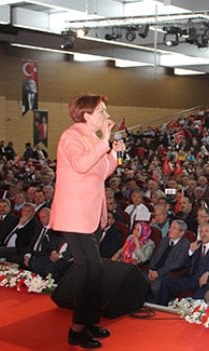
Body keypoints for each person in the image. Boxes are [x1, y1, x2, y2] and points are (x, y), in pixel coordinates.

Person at [49, 94, 124, 349]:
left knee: (95, 270)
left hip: (88, 214)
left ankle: (88, 322)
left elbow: (101, 172)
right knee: (89, 269)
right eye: (102, 111)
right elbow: (81, 165)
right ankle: (77, 330)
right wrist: (105, 142)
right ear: (86, 115)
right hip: (75, 214)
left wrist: (115, 154)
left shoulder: (92, 139)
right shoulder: (71, 137)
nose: (106, 115)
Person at [157, 222, 209, 304]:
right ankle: (163, 309)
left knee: (197, 298)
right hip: (191, 279)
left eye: (206, 231)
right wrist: (190, 252)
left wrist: (208, 273)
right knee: (166, 282)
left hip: (206, 281)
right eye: (201, 232)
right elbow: (185, 264)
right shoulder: (196, 245)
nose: (203, 234)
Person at [147, 219, 191, 301]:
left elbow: (177, 264)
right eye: (170, 227)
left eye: (174, 228)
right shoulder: (165, 240)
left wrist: (158, 273)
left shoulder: (185, 245)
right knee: (138, 281)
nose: (170, 230)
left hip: (167, 274)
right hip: (154, 271)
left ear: (181, 232)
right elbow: (156, 255)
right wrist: (151, 269)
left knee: (155, 288)